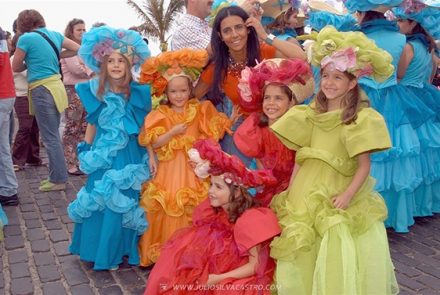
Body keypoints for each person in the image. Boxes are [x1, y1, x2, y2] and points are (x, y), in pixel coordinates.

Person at [269, 27, 399, 294]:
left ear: (352, 83)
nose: (329, 82)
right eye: (326, 76)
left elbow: (364, 165)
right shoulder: (309, 115)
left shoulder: (358, 119)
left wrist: (349, 195)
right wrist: (292, 189)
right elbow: (300, 159)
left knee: (334, 242)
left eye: (338, 77)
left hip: (337, 190)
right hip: (306, 188)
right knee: (303, 244)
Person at [144, 139, 280, 294]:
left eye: (218, 187)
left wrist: (218, 278)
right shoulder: (218, 210)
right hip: (222, 259)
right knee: (178, 258)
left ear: (236, 192)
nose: (211, 191)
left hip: (240, 269)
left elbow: (255, 265)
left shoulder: (249, 219)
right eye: (211, 185)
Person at [344, 0, 434, 232]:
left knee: (363, 152)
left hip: (361, 97)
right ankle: (393, 214)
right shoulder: (401, 40)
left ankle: (363, 208)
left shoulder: (355, 37)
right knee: (392, 154)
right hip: (392, 99)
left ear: (363, 14)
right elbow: (400, 73)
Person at [137, 48, 233, 267]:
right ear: (166, 93)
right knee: (169, 204)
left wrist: (228, 120)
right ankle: (166, 254)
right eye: (173, 92)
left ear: (190, 90)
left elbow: (212, 133)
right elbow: (152, 141)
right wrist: (172, 132)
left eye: (182, 91)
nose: (178, 96)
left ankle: (190, 253)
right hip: (169, 170)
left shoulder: (198, 109)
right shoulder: (160, 114)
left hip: (192, 170)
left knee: (192, 205)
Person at [67, 26, 152, 270]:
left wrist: (150, 155)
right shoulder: (96, 92)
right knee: (99, 198)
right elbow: (92, 124)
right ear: (102, 64)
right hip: (103, 155)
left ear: (129, 65)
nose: (115, 65)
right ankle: (98, 250)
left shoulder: (137, 94)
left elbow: (144, 127)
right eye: (111, 60)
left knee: (124, 200)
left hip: (129, 156)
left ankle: (119, 250)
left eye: (121, 61)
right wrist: (87, 150)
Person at [195, 5, 306, 165]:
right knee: (240, 181)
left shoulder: (264, 52)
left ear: (248, 29)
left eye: (239, 27)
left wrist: (265, 35)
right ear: (220, 36)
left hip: (275, 126)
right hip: (240, 133)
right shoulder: (217, 68)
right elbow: (192, 96)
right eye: (227, 31)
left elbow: (302, 57)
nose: (234, 35)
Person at [12, 9, 80, 192]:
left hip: (42, 89)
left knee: (50, 137)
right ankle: (56, 176)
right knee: (52, 135)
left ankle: (58, 179)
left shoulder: (26, 39)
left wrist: (31, 63)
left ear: (23, 24)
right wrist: (57, 54)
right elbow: (76, 49)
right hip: (57, 87)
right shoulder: (55, 35)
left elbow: (15, 66)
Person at [233, 57, 314, 206]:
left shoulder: (298, 129)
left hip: (295, 184)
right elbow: (259, 158)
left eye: (278, 98)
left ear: (291, 103)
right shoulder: (259, 127)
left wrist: (290, 191)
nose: (271, 103)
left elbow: (301, 162)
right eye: (267, 98)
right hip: (269, 183)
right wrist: (267, 186)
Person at [393, 3, 440, 216]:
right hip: (424, 94)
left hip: (405, 96)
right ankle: (424, 203)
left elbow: (400, 74)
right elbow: (430, 75)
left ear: (413, 24)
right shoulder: (429, 47)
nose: (398, 24)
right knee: (423, 151)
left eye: (401, 21)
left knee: (406, 151)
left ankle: (409, 205)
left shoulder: (409, 46)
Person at [61, 18, 93, 176]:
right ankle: (70, 162)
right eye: (79, 29)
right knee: (72, 126)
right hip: (72, 90)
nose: (82, 32)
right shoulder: (67, 47)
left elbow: (90, 65)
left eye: (84, 29)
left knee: (84, 126)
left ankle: (81, 160)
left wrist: (88, 69)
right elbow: (76, 69)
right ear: (71, 31)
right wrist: (89, 71)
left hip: (86, 89)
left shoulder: (85, 48)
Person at [9, 32, 42, 172]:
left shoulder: (26, 59)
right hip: (21, 96)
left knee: (35, 127)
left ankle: (33, 158)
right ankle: (16, 160)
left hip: (32, 94)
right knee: (25, 128)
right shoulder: (14, 59)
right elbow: (30, 75)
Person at [0, 26, 19, 207]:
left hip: (2, 95)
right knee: (2, 146)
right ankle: (8, 190)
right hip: (5, 94)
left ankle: (8, 189)